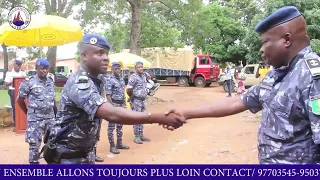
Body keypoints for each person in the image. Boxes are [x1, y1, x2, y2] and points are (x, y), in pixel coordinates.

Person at [169, 6, 320, 164]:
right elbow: (237, 101)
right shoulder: (277, 73)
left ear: (287, 40)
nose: (261, 50)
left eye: (265, 42)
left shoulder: (313, 77)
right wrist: (185, 113)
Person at [42, 34, 185, 164]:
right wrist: (159, 117)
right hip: (67, 159)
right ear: (84, 56)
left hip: (84, 155)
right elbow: (112, 114)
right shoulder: (79, 82)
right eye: (99, 53)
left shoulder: (95, 80)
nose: (106, 58)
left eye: (106, 53)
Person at [16, 58, 56, 164]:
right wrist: (27, 112)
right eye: (42, 68)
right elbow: (20, 100)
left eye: (47, 69)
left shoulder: (51, 80)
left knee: (54, 141)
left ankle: (52, 162)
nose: (45, 71)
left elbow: (52, 99)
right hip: (35, 118)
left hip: (50, 117)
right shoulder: (29, 82)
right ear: (36, 68)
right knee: (34, 144)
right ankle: (34, 166)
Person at [103, 62, 130, 154]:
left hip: (122, 104)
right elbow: (108, 95)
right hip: (114, 104)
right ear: (112, 69)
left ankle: (119, 143)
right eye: (116, 69)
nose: (118, 70)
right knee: (111, 126)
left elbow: (123, 92)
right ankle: (112, 146)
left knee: (120, 125)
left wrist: (124, 104)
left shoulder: (121, 79)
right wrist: (112, 106)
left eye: (119, 69)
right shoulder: (110, 80)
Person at [126, 61, 150, 144]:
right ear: (135, 68)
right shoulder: (133, 77)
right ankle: (136, 136)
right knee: (136, 118)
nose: (141, 68)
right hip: (136, 100)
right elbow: (128, 89)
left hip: (143, 100)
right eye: (139, 67)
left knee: (143, 117)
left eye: (141, 67)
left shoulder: (144, 75)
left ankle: (141, 135)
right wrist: (132, 97)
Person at [4, 59, 26, 131]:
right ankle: (16, 125)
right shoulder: (9, 73)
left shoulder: (23, 73)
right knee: (15, 108)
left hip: (21, 92)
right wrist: (13, 81)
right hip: (13, 91)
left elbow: (26, 81)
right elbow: (6, 84)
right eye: (17, 65)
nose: (19, 67)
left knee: (23, 107)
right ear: (14, 65)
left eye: (20, 65)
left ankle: (23, 124)